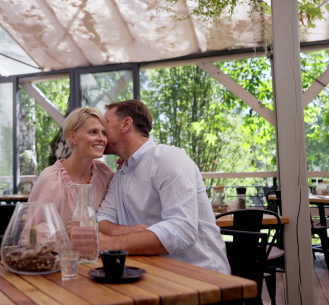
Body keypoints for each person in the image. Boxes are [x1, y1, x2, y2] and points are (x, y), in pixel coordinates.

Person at [96, 99, 231, 274]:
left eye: (105, 124)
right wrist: (130, 232)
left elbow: (181, 231)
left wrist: (107, 244)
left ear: (126, 124)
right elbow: (100, 220)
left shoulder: (169, 159)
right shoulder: (120, 175)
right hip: (155, 274)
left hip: (201, 277)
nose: (101, 131)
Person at [28, 107, 114, 224]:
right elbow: (34, 231)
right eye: (93, 132)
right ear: (73, 137)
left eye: (104, 133)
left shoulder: (105, 173)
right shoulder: (51, 179)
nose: (102, 139)